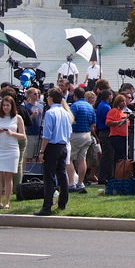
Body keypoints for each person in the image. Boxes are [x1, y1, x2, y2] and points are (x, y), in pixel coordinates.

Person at [35, 88, 70, 216]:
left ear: (50, 98)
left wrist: (42, 151)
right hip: (63, 145)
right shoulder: (65, 113)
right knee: (62, 175)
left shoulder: (50, 113)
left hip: (52, 146)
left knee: (49, 177)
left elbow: (47, 134)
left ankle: (47, 206)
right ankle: (62, 202)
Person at [0, 95, 24, 210]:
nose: (5, 107)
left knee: (9, 176)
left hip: (12, 149)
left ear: (12, 106)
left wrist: (12, 133)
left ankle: (7, 201)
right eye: (4, 105)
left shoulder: (17, 118)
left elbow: (23, 135)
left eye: (8, 105)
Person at [69, 88, 96, 194]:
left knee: (68, 159)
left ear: (75, 96)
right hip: (87, 134)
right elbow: (93, 124)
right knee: (82, 159)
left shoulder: (75, 106)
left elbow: (71, 119)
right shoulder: (90, 106)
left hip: (76, 134)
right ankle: (80, 183)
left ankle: (71, 183)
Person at [106, 94, 130, 167]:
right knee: (120, 155)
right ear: (117, 102)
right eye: (122, 101)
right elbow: (108, 122)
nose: (124, 103)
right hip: (116, 136)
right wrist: (118, 122)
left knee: (124, 154)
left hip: (125, 137)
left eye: (125, 101)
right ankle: (117, 172)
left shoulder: (124, 112)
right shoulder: (114, 111)